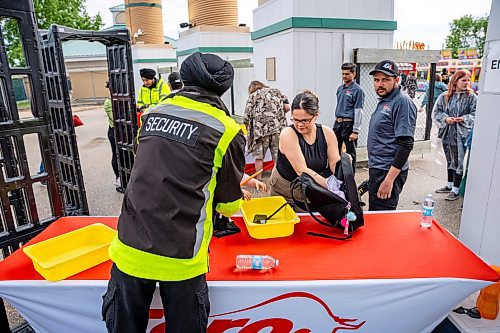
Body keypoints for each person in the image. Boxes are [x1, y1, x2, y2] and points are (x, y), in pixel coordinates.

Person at [102, 52, 245, 333]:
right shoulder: (227, 130)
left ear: (186, 78)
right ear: (223, 88)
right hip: (182, 257)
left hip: (130, 246)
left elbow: (145, 158)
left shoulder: (152, 114)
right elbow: (228, 207)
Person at [269, 90, 341, 210]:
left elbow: (334, 163)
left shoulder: (327, 133)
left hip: (310, 189)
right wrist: (329, 186)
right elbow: (301, 170)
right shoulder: (288, 134)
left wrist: (341, 179)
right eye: (295, 120)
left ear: (316, 115)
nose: (300, 125)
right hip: (285, 190)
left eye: (305, 120)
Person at [367, 60, 417, 211]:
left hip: (387, 171)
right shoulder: (385, 100)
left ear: (397, 80)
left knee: (382, 220)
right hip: (378, 167)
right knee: (375, 214)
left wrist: (389, 180)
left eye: (386, 79)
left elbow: (406, 144)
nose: (380, 84)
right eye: (376, 80)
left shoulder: (402, 102)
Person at [432, 69, 476, 201]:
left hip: (462, 136)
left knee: (459, 162)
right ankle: (449, 185)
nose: (466, 83)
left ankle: (456, 190)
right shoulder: (445, 96)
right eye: (463, 80)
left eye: (468, 80)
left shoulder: (471, 97)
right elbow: (436, 112)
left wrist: (463, 118)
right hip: (447, 134)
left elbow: (476, 114)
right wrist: (446, 119)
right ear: (455, 81)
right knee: (450, 160)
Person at [243, 80, 290, 180]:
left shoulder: (253, 96)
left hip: (260, 131)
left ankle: (258, 179)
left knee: (259, 157)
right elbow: (287, 107)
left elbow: (246, 117)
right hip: (277, 129)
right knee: (277, 156)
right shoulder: (277, 91)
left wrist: (248, 130)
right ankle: (278, 178)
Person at [333, 62, 365, 173]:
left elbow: (358, 111)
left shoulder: (358, 90)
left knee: (350, 153)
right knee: (334, 150)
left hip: (348, 124)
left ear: (354, 74)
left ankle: (350, 177)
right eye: (343, 74)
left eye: (347, 74)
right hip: (338, 123)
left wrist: (355, 131)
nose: (344, 76)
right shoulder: (340, 89)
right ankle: (336, 174)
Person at [103, 81, 120, 190]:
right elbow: (115, 119)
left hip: (124, 130)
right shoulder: (108, 102)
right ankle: (118, 178)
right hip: (114, 131)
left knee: (126, 154)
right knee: (116, 154)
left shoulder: (123, 98)